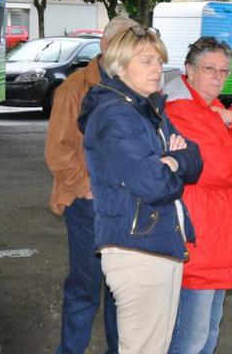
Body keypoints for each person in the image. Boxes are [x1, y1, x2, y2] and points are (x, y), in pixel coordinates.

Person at [78, 26, 203, 353]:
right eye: (146, 60)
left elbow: (195, 159)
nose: (158, 68)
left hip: (156, 244)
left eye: (159, 61)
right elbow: (155, 184)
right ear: (119, 65)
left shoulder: (148, 110)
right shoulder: (116, 115)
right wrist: (173, 161)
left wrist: (172, 160)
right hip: (138, 250)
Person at [164, 37, 232, 354]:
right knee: (190, 340)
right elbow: (228, 168)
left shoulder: (214, 109)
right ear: (189, 70)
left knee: (207, 336)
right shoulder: (182, 110)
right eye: (210, 69)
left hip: (218, 239)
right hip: (199, 241)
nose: (218, 77)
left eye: (224, 71)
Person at [45, 15, 138, 354]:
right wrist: (85, 186)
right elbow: (58, 151)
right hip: (89, 207)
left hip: (127, 207)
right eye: (122, 45)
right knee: (85, 289)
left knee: (120, 293)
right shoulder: (75, 87)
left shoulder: (137, 85)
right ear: (104, 45)